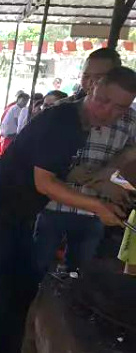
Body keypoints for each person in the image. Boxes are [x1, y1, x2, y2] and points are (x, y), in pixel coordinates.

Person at [0, 68, 136, 353]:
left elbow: (64, 170)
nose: (111, 112)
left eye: (121, 108)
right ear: (92, 89)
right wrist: (97, 207)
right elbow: (45, 183)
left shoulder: (79, 125)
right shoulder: (62, 123)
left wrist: (104, 184)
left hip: (17, 219)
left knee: (22, 287)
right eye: (107, 101)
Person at [34, 57, 132, 280]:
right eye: (86, 76)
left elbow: (129, 160)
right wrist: (96, 177)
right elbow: (45, 171)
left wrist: (112, 173)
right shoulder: (62, 111)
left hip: (95, 214)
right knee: (36, 268)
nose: (89, 82)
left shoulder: (130, 120)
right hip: (53, 206)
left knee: (79, 275)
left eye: (97, 78)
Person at [0, 90, 27, 160]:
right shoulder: (17, 108)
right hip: (9, 131)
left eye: (26, 101)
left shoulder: (12, 106)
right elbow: (17, 122)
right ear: (18, 99)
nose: (25, 103)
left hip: (5, 130)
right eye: (24, 100)